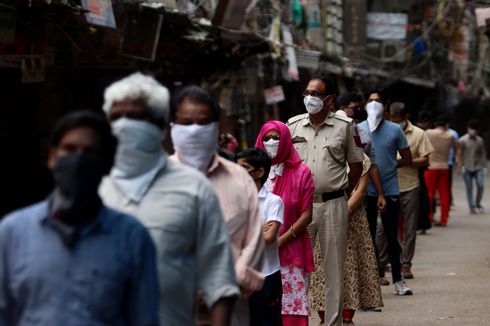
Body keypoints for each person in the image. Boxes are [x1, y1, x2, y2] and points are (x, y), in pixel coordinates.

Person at [99, 73, 239, 326]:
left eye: (137, 117)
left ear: (161, 126)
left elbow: (220, 280)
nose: (126, 126)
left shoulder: (194, 188)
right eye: (118, 117)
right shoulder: (95, 190)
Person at [0, 111, 159, 325]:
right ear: (52, 158)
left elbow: (144, 318)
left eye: (89, 152)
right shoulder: (13, 232)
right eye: (69, 149)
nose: (77, 161)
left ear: (107, 165)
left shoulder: (132, 237)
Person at [170, 85, 264, 326]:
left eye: (203, 123)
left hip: (231, 309)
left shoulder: (240, 179)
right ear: (172, 125)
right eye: (186, 122)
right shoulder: (156, 178)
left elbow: (254, 241)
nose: (194, 130)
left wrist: (224, 287)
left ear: (215, 128)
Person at [287, 74, 364, 326]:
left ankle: (333, 322)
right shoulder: (293, 126)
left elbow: (355, 167)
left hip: (333, 204)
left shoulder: (344, 127)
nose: (309, 98)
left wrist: (342, 194)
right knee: (296, 267)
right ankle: (298, 320)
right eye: (307, 93)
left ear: (329, 99)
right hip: (300, 206)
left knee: (333, 268)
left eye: (316, 94)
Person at [310, 97, 384, 325]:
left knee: (347, 268)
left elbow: (360, 189)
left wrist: (339, 209)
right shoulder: (319, 154)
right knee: (321, 270)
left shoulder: (358, 157)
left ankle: (346, 315)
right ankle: (324, 314)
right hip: (323, 214)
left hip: (348, 220)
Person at [255, 120, 315, 326]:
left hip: (291, 250)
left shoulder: (302, 173)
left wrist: (279, 241)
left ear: (286, 139)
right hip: (257, 252)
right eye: (267, 138)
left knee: (292, 308)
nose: (271, 142)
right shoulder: (251, 174)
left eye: (276, 137)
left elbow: (306, 215)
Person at [357, 86, 413, 296]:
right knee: (367, 238)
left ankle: (398, 280)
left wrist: (389, 166)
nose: (373, 104)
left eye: (378, 100)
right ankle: (370, 282)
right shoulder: (358, 129)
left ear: (386, 106)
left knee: (391, 237)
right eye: (370, 100)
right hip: (365, 192)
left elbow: (407, 158)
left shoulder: (395, 130)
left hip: (390, 190)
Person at [236, 148, 285, 326]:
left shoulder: (273, 202)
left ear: (259, 172)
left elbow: (269, 238)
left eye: (243, 168)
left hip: (267, 275)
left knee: (268, 321)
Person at [390, 102, 434, 279]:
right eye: (393, 119)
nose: (396, 123)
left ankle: (406, 264)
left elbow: (425, 158)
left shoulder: (418, 133)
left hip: (410, 185)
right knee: (387, 228)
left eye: (398, 120)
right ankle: (390, 261)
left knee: (409, 227)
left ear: (406, 117)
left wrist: (405, 162)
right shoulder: (385, 130)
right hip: (389, 185)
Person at [424, 116, 461, 226]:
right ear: (445, 125)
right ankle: (444, 219)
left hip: (431, 167)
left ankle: (429, 217)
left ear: (436, 124)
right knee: (444, 193)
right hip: (444, 166)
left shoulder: (428, 133)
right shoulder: (450, 136)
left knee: (429, 193)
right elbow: (457, 148)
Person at [459, 119, 487, 214]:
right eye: (471, 128)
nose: (473, 130)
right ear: (468, 128)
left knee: (480, 185)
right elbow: (459, 154)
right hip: (466, 166)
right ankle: (471, 206)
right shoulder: (462, 140)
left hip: (478, 166)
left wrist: (484, 166)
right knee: (469, 187)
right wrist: (460, 165)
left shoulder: (480, 140)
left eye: (474, 129)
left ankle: (478, 203)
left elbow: (483, 153)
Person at [415, 111, 433, 233]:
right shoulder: (422, 133)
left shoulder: (418, 132)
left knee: (421, 199)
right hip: (418, 169)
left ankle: (421, 225)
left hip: (418, 169)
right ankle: (422, 225)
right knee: (422, 199)